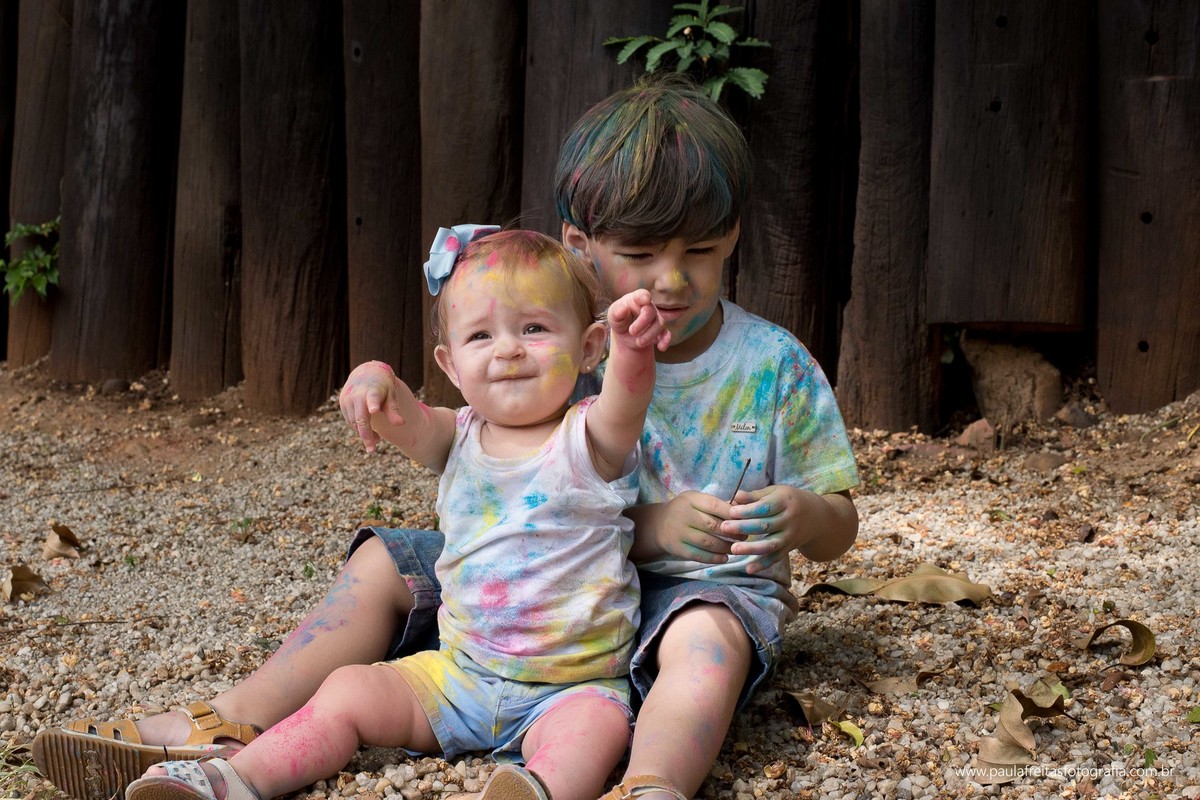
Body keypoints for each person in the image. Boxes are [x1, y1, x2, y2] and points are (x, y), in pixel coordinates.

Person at [34, 74, 859, 800]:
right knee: (385, 560)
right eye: (638, 255)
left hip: (683, 596)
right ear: (578, 248)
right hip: (531, 585)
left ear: (735, 237)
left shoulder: (770, 365)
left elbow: (842, 523)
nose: (671, 281)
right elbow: (468, 447)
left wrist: (805, 515)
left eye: (702, 252)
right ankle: (235, 720)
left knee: (705, 636)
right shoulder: (551, 344)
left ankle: (652, 783)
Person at [120, 226, 669, 800]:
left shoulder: (590, 438)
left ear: (587, 347)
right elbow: (404, 418)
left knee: (596, 731)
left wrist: (633, 349)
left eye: (533, 328)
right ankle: (234, 779)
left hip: (571, 685)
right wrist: (375, 378)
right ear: (450, 364)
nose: (508, 349)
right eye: (481, 335)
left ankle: (538, 789)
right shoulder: (457, 438)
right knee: (347, 690)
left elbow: (626, 399)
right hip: (459, 677)